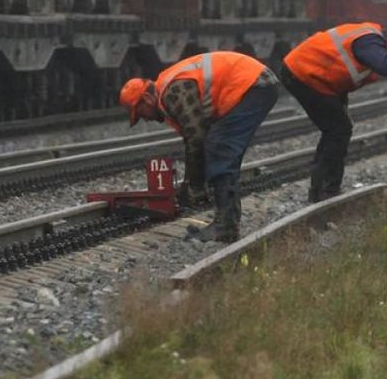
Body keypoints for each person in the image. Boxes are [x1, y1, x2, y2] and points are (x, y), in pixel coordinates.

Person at [119, 50, 278, 242]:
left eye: (140, 112)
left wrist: (195, 184)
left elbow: (197, 136)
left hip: (252, 84)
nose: (144, 118)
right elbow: (193, 138)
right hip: (254, 83)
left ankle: (225, 226)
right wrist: (190, 183)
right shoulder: (168, 89)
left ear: (147, 98)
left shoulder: (172, 92)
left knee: (220, 148)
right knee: (219, 146)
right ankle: (226, 222)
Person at [280, 23, 387, 202]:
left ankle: (320, 190)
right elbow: (386, 67)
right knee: (338, 130)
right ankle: (326, 192)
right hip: (304, 73)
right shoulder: (369, 42)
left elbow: (346, 71)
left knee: (337, 130)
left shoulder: (374, 47)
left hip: (319, 79)